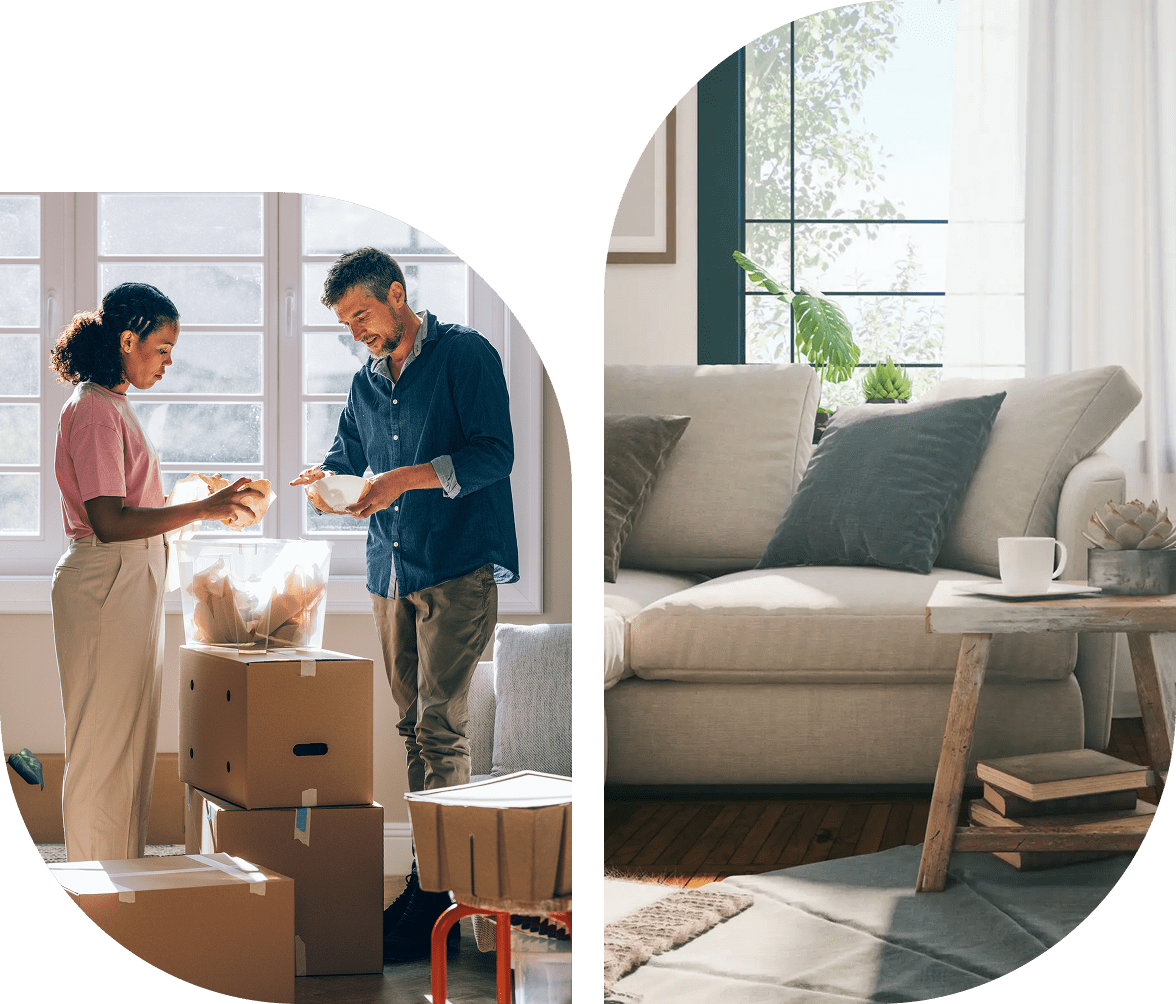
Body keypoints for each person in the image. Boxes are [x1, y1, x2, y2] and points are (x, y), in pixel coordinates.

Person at [291, 247, 519, 963]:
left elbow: (495, 454)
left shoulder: (465, 356)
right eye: (346, 322)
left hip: (455, 567)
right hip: (388, 572)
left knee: (441, 730)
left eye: (362, 314)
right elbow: (346, 459)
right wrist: (326, 483)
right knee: (411, 729)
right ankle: (429, 887)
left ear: (396, 295)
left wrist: (401, 479)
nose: (357, 330)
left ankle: (438, 898)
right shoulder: (365, 382)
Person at [49, 282, 262, 862]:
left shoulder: (112, 405)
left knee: (130, 746)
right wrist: (204, 509)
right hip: (106, 581)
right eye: (162, 349)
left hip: (126, 580)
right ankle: (95, 887)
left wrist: (195, 498)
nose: (168, 363)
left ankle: (123, 882)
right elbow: (109, 521)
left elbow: (131, 505)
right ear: (127, 340)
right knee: (103, 749)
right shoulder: (94, 411)